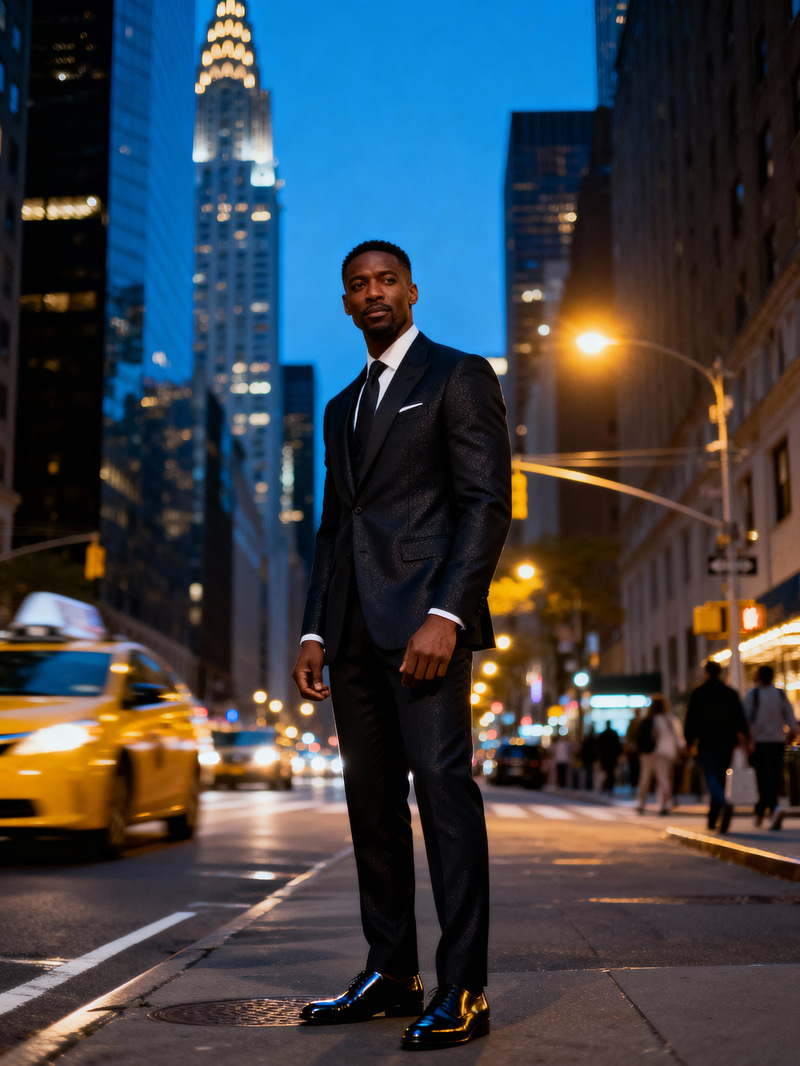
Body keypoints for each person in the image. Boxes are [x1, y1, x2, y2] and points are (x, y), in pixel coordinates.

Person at [292, 240, 512, 1051]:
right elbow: (335, 526)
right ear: (345, 303)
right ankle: (391, 972)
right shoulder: (340, 406)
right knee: (371, 805)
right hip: (352, 634)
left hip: (425, 630)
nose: (373, 292)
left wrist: (448, 614)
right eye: (358, 285)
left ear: (412, 291)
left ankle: (464, 988)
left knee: (444, 795)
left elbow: (486, 502)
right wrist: (315, 629)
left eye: (386, 280)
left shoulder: (458, 375)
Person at [684, 660, 749, 833]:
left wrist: (689, 741)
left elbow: (691, 719)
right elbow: (740, 717)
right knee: (720, 777)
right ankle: (713, 818)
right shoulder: (730, 693)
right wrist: (745, 737)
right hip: (727, 742)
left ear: (706, 672)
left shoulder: (699, 693)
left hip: (707, 742)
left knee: (711, 776)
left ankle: (722, 803)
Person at [743, 665, 797, 825]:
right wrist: (792, 732)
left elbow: (745, 720)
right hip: (777, 742)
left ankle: (768, 809)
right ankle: (768, 809)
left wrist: (747, 741)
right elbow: (790, 717)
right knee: (773, 777)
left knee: (763, 778)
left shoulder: (752, 695)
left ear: (758, 676)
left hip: (759, 743)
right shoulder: (780, 694)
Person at [635, 695, 685, 814]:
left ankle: (641, 803)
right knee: (663, 778)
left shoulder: (651, 719)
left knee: (646, 777)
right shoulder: (671, 719)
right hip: (668, 753)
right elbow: (679, 739)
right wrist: (682, 749)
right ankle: (664, 804)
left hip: (651, 752)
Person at [595, 721, 622, 794]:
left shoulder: (603, 734)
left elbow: (599, 746)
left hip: (606, 756)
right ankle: (609, 787)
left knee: (606, 772)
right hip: (611, 756)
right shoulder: (613, 734)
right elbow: (618, 745)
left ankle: (606, 786)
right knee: (610, 772)